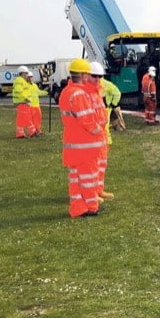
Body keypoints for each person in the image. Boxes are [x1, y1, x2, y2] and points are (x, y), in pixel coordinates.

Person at [59, 58, 105, 218]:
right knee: (88, 178)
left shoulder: (67, 91)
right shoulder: (79, 94)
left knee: (76, 179)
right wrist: (99, 130)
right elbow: (88, 120)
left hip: (73, 143)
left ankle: (78, 207)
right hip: (86, 145)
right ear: (84, 75)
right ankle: (92, 206)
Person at [88, 62, 115, 200]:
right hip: (92, 136)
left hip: (101, 135)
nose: (98, 79)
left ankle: (99, 189)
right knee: (91, 167)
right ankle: (91, 193)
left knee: (101, 165)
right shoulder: (86, 93)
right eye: (94, 76)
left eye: (100, 76)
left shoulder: (98, 91)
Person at [12, 65, 35, 138]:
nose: (27, 75)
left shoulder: (21, 80)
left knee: (20, 119)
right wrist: (26, 98)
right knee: (27, 117)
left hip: (21, 102)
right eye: (26, 73)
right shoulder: (20, 80)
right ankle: (32, 132)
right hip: (22, 102)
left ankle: (20, 134)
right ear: (21, 73)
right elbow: (19, 91)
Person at [25, 71, 48, 136]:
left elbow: (39, 92)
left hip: (37, 105)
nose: (30, 78)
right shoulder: (25, 86)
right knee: (31, 120)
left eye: (31, 77)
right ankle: (32, 132)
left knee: (38, 118)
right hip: (30, 105)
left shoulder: (34, 85)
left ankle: (38, 130)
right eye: (29, 77)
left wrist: (47, 92)